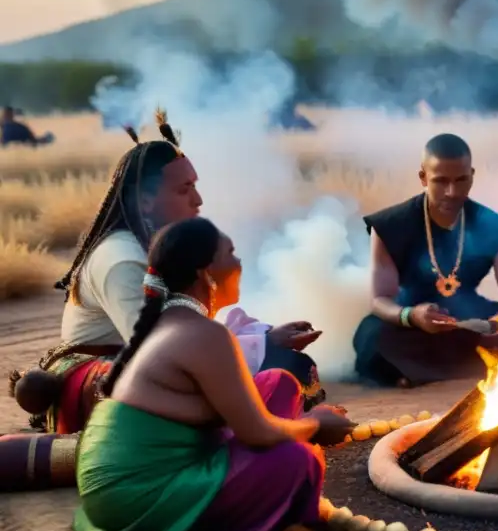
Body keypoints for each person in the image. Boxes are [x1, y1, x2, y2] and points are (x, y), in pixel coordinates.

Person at [9, 110, 324, 434]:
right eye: (184, 189)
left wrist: (262, 338)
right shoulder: (122, 259)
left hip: (152, 364)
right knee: (279, 371)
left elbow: (183, 330)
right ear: (145, 202)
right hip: (111, 379)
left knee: (281, 361)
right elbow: (159, 350)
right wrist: (258, 349)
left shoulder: (157, 245)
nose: (198, 200)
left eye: (195, 187)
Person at [73, 217, 354, 531]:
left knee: (278, 383)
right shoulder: (205, 334)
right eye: (231, 255)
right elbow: (258, 431)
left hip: (118, 485)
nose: (239, 264)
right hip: (134, 496)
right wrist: (314, 424)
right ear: (206, 273)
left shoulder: (170, 321)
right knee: (296, 460)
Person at [353, 133, 498, 387]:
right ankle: (476, 363)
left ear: (472, 175)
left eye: (461, 180)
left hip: (471, 318)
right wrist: (412, 315)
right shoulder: (389, 226)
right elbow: (379, 300)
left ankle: (419, 372)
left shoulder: (493, 225)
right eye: (441, 181)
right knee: (372, 335)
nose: (452, 192)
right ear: (423, 178)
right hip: (413, 321)